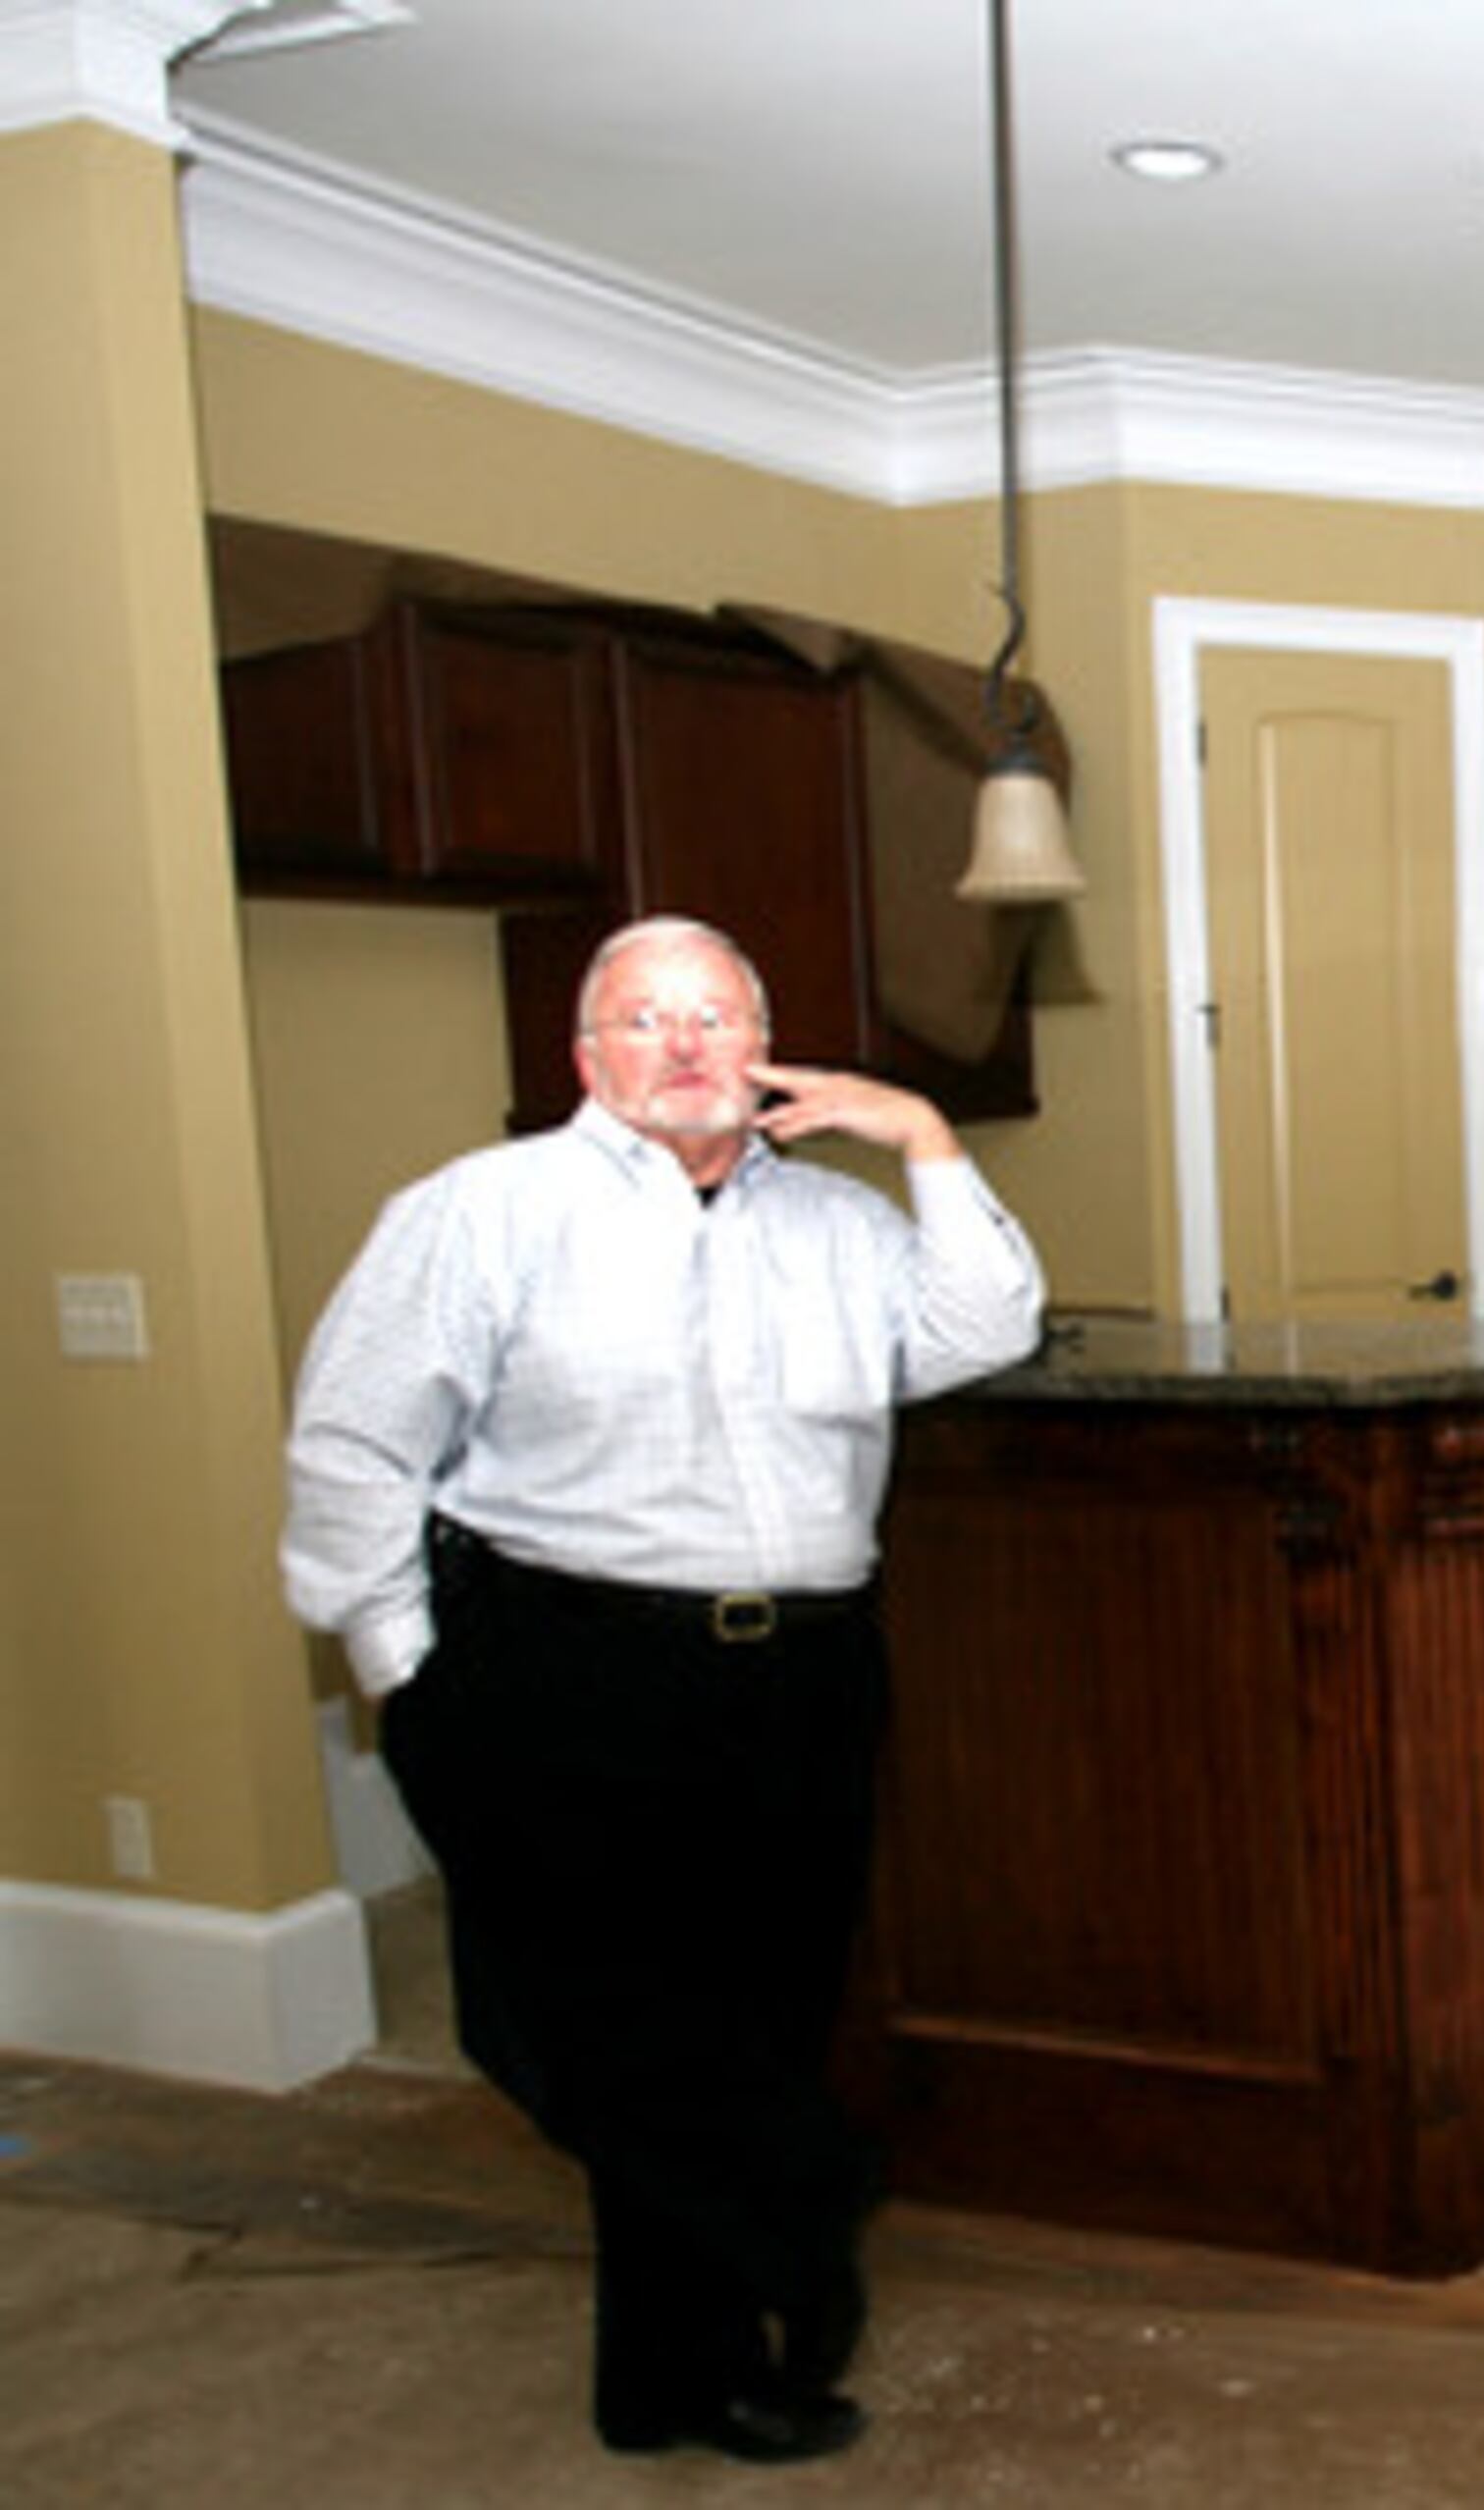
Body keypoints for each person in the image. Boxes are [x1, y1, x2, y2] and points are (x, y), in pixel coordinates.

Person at [282, 914, 1044, 2464]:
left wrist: (924, 1137)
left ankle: (677, 2378)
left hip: (803, 1680)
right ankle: (803, 2210)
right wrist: (405, 1673)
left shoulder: (839, 1226)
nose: (686, 1043)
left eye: (718, 1015)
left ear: (764, 1046)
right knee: (593, 2021)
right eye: (645, 1018)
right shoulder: (481, 1213)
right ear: (586, 1057)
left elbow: (986, 1326)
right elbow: (355, 1445)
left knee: (755, 2019)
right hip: (566, 1669)